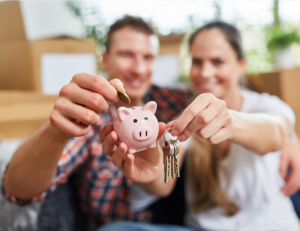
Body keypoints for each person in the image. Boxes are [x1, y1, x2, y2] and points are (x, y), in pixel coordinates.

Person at [1, 15, 300, 230]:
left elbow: (273, 122)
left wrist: (291, 138)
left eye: (148, 57)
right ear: (105, 59)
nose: (139, 68)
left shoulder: (180, 101)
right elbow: (17, 191)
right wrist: (54, 132)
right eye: (127, 55)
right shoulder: (94, 113)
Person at [99, 21, 300, 231]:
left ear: (241, 64)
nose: (204, 73)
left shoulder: (266, 105)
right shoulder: (186, 118)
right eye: (197, 62)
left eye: (218, 61)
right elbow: (166, 177)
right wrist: (151, 171)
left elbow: (276, 133)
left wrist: (229, 120)